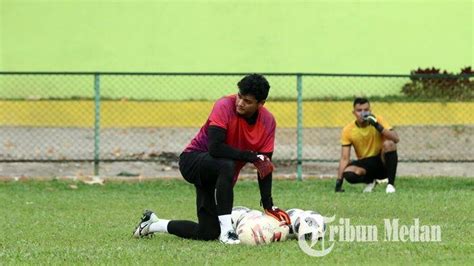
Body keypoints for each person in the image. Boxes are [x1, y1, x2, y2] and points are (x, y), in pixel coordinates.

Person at [133, 74, 290, 244]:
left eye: (247, 101)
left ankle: (153, 224)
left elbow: (264, 166)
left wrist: (268, 206)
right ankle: (227, 232)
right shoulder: (224, 105)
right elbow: (215, 148)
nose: (240, 103)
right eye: (239, 96)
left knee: (208, 232)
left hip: (219, 172)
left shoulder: (268, 122)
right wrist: (250, 156)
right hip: (193, 161)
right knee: (226, 164)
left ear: (261, 104)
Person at [335, 97, 400, 193]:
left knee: (389, 144)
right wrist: (339, 182)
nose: (363, 113)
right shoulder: (348, 130)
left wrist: (377, 126)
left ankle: (390, 185)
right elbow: (344, 158)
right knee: (349, 173)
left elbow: (396, 139)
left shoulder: (378, 120)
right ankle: (370, 181)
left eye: (366, 110)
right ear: (354, 113)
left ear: (370, 111)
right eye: (359, 110)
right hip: (365, 163)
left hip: (381, 161)